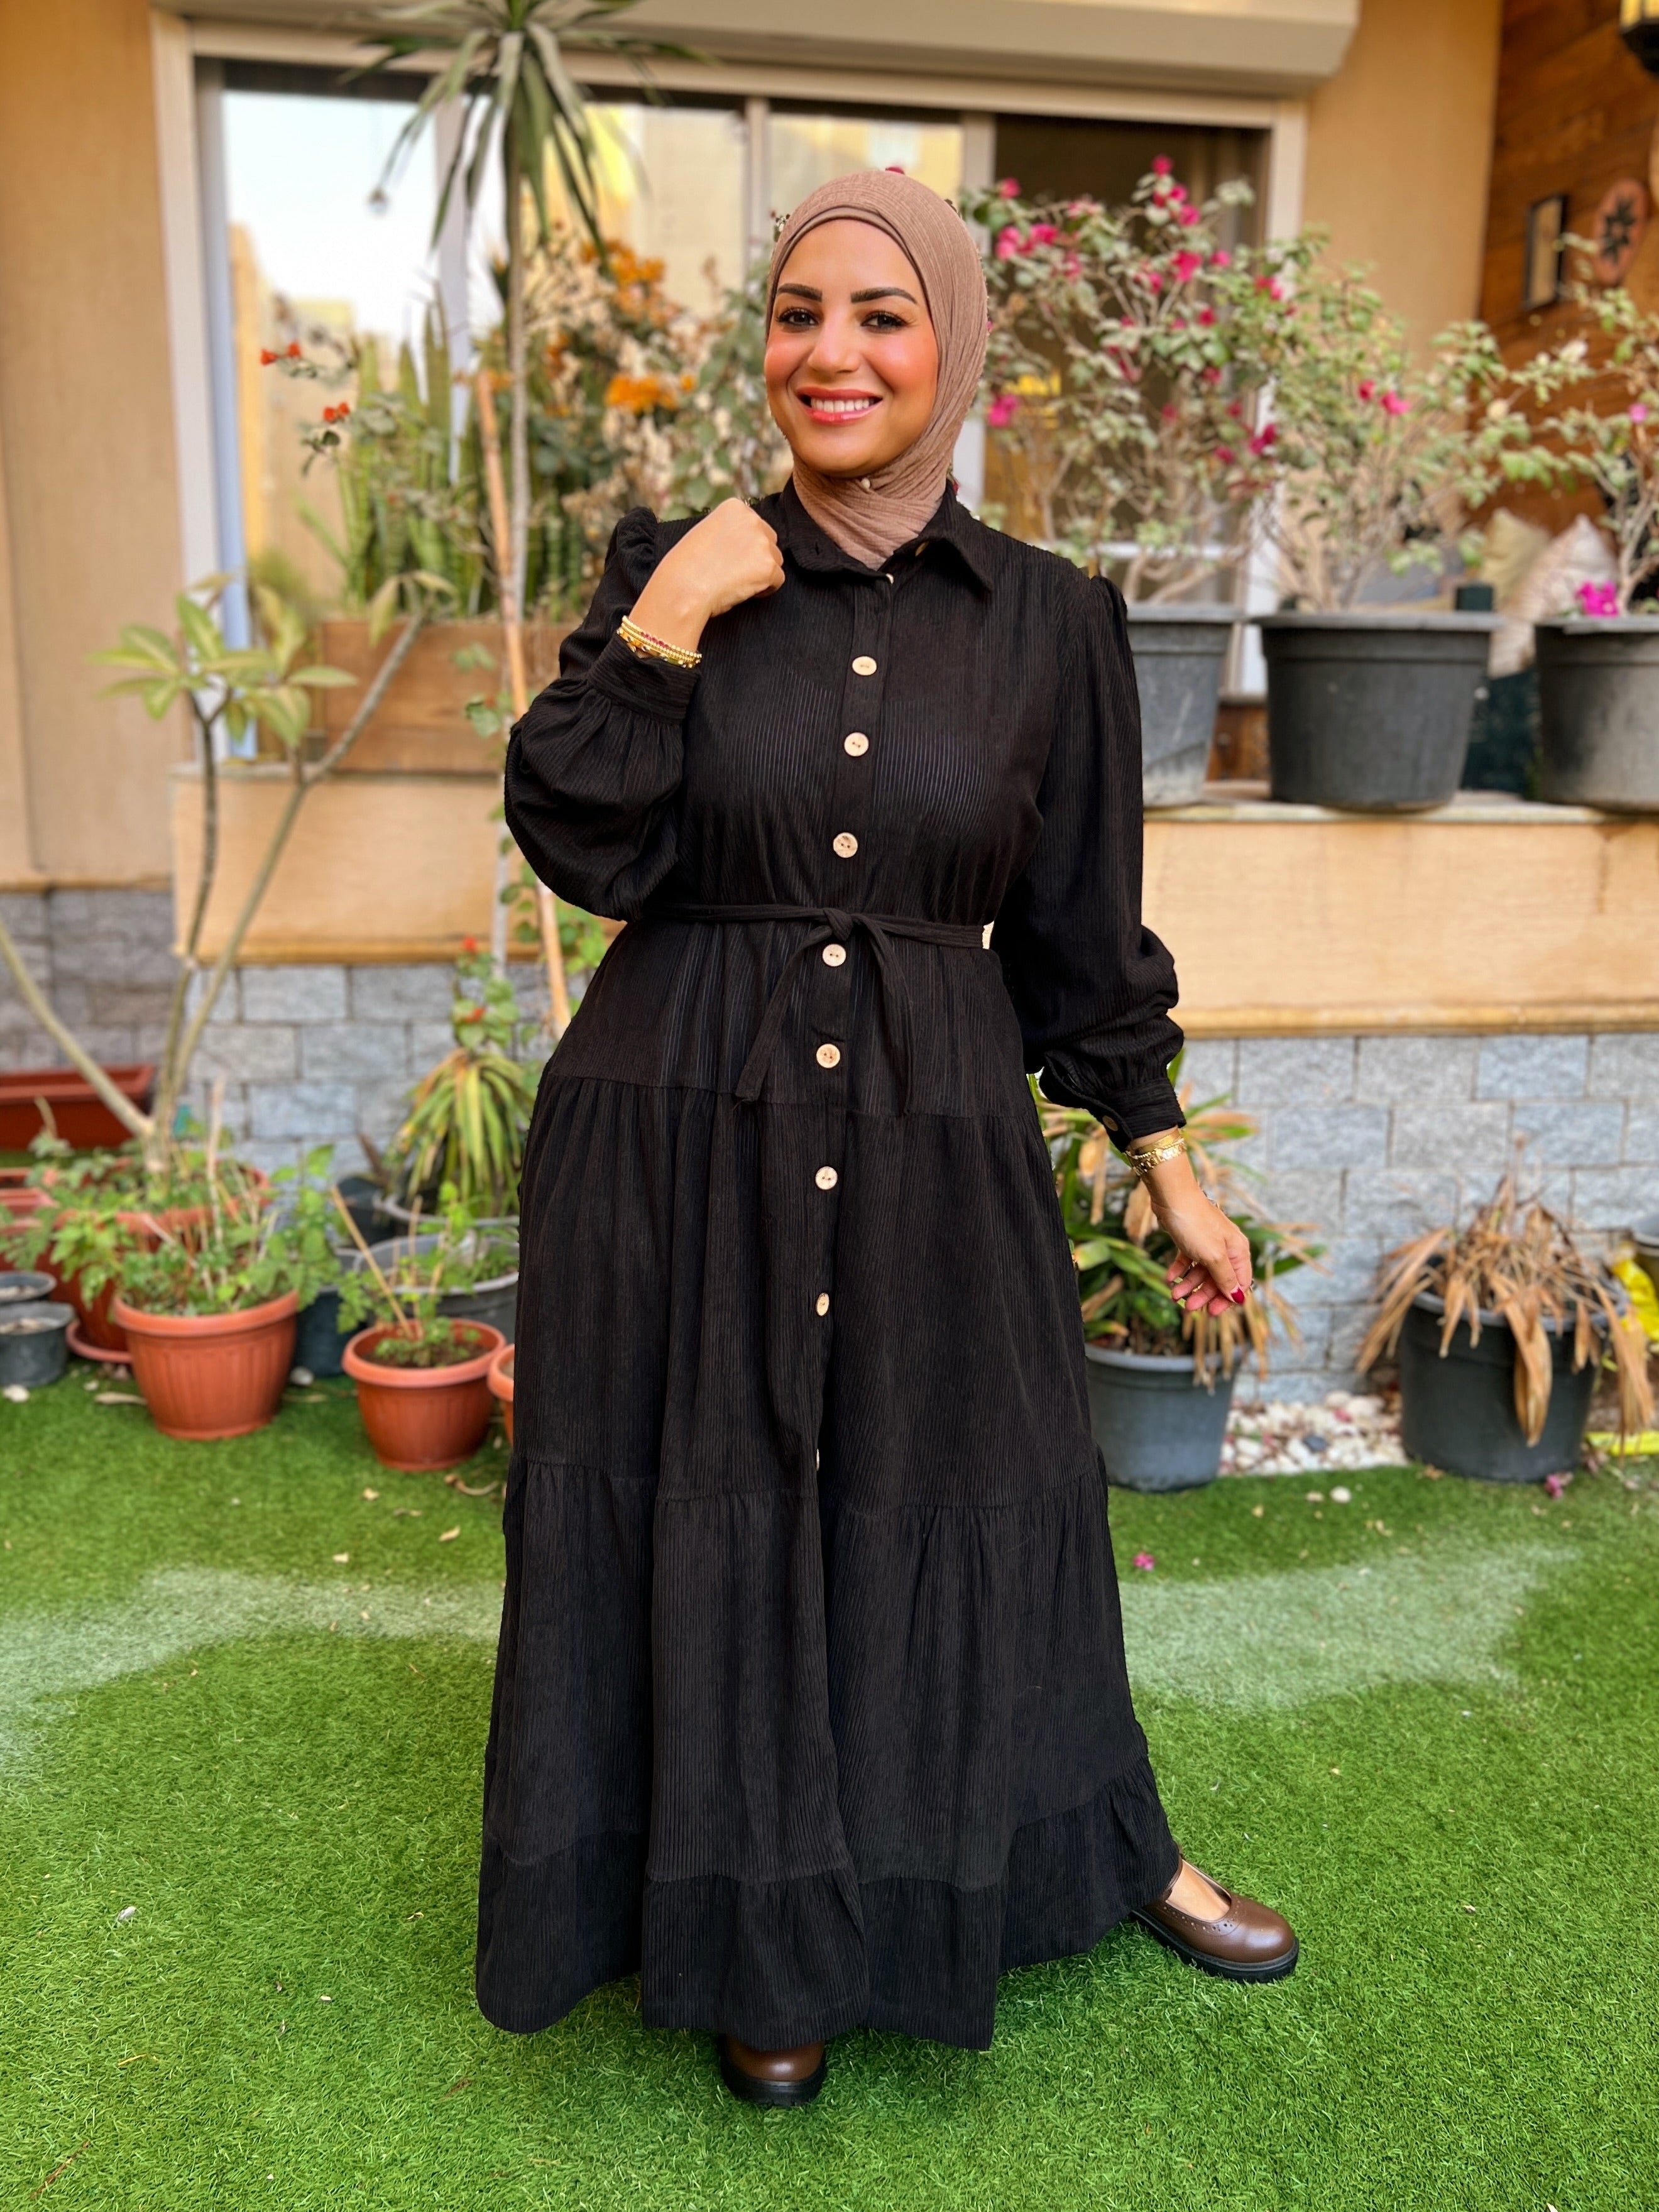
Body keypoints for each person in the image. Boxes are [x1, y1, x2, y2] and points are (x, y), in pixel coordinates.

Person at [478, 167, 1296, 2110]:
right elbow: (578, 830)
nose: (829, 353)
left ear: (955, 347)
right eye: (797, 314)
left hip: (936, 1128)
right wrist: (669, 614)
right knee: (722, 1489)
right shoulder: (676, 568)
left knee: (987, 1483)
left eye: (880, 314)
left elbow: (1083, 940)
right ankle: (757, 1929)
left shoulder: (1052, 625)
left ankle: (1103, 1841)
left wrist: (1171, 1171)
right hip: (676, 1125)